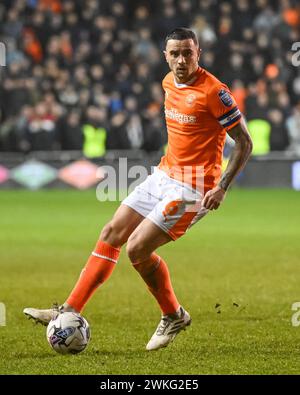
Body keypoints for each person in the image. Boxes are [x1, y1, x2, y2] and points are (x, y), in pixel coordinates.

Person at [24, 28, 253, 351]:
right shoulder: (167, 82)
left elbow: (245, 141)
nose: (181, 60)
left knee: (136, 249)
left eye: (188, 53)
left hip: (194, 187)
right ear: (165, 56)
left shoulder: (214, 92)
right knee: (111, 233)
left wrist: (223, 187)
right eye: (174, 54)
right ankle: (69, 309)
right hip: (163, 174)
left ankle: (173, 314)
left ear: (198, 52)